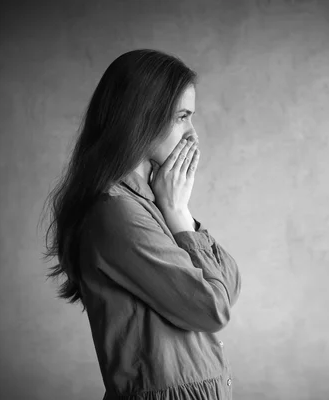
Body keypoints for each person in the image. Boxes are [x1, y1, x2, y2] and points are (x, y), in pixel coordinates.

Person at [41, 49, 242, 400]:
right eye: (182, 117)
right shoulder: (115, 212)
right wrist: (178, 214)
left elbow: (231, 281)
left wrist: (179, 211)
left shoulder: (149, 203)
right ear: (142, 117)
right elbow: (213, 308)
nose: (193, 134)